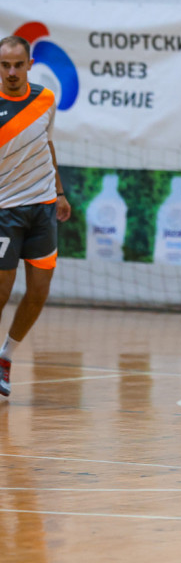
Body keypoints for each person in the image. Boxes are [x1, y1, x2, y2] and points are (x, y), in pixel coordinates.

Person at [0, 36, 71, 398]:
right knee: (1, 290)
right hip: (4, 211)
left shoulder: (45, 99)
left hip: (42, 209)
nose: (11, 72)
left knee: (38, 292)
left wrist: (58, 192)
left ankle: (6, 357)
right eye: (4, 65)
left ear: (29, 65)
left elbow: (47, 143)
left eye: (17, 65)